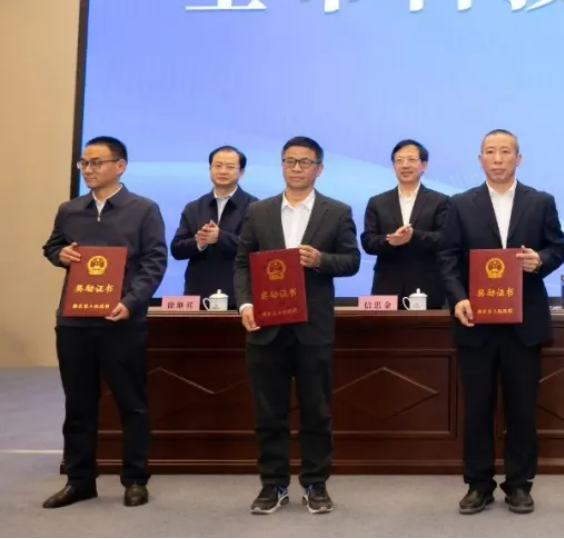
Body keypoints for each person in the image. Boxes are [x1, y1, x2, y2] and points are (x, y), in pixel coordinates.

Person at [439, 129, 564, 515]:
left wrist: (540, 260)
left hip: (523, 323)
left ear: (518, 159)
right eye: (491, 152)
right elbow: (447, 258)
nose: (498, 159)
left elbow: (557, 247)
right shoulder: (460, 204)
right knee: (477, 407)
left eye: (505, 152)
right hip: (476, 321)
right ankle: (478, 484)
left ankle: (519, 484)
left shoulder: (540, 201)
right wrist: (458, 298)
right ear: (480, 159)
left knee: (522, 408)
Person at [234, 136, 361, 515]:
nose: (296, 168)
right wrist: (245, 303)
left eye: (305, 162)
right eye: (290, 161)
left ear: (319, 169)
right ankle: (272, 484)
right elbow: (242, 263)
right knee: (268, 411)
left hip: (313, 327)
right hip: (266, 325)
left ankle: (315, 483)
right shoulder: (259, 211)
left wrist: (321, 260)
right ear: (281, 165)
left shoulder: (336, 212)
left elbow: (352, 261)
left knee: (316, 410)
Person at [41, 136, 167, 509]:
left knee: (132, 403)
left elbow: (155, 261)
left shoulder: (143, 209)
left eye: (97, 162)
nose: (89, 170)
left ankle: (135, 479)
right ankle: (80, 480)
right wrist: (60, 254)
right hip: (74, 322)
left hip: (121, 322)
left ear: (120, 166)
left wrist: (131, 303)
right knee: (78, 404)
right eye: (84, 163)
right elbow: (52, 247)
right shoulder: (70, 210)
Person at [361, 139, 449, 305]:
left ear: (423, 165)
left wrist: (413, 236)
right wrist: (390, 241)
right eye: (399, 160)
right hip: (386, 287)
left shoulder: (440, 201)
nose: (405, 165)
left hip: (427, 287)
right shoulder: (377, 202)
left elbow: (445, 239)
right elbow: (368, 242)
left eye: (411, 160)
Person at [170, 146, 258, 306]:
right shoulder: (194, 207)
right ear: (210, 169)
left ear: (241, 172)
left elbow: (257, 249)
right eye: (217, 166)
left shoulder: (255, 207)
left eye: (230, 167)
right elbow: (177, 249)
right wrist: (199, 242)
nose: (223, 171)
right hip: (197, 295)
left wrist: (221, 237)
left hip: (238, 296)